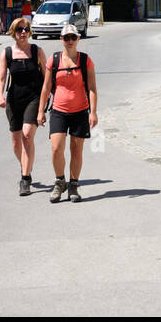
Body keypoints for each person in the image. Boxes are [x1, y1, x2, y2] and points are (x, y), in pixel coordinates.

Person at [37, 23, 97, 204]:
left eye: (73, 37)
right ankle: (59, 181)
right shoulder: (53, 60)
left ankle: (73, 185)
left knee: (76, 149)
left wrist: (93, 112)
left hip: (80, 111)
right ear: (61, 39)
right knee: (56, 148)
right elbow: (46, 87)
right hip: (59, 110)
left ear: (78, 39)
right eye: (66, 38)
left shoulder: (85, 60)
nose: (70, 41)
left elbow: (92, 88)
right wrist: (40, 110)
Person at [0, 16, 47, 196]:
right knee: (16, 143)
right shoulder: (7, 53)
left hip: (34, 98)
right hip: (14, 101)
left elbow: (47, 78)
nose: (23, 32)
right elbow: (1, 78)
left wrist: (50, 99)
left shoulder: (37, 51)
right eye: (20, 30)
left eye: (26, 29)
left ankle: (25, 179)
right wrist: (0, 95)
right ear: (14, 33)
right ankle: (27, 165)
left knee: (27, 135)